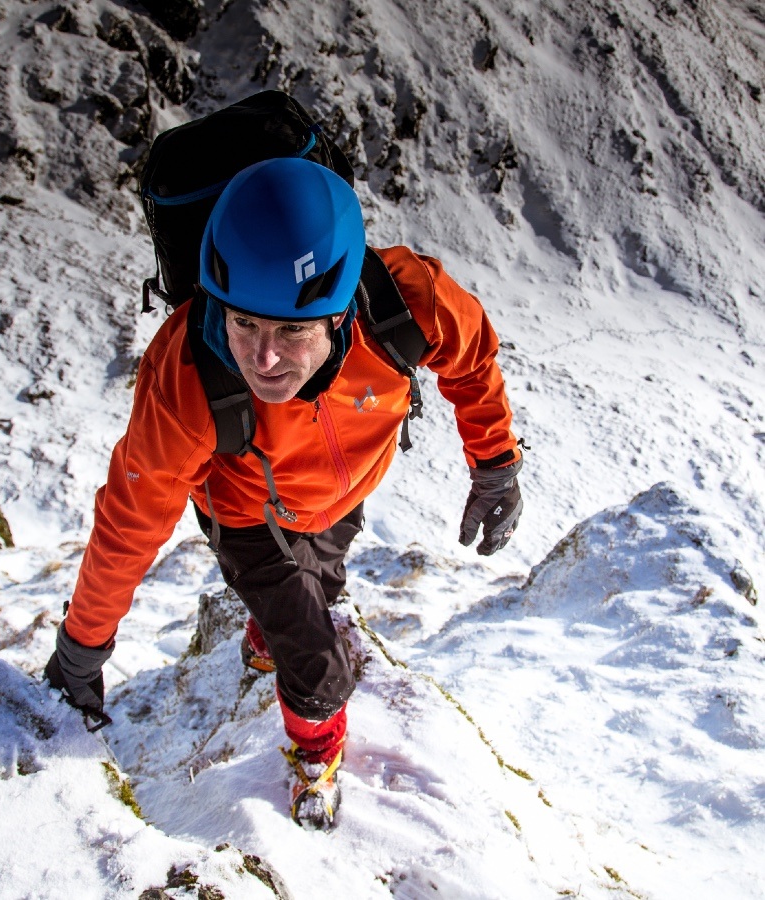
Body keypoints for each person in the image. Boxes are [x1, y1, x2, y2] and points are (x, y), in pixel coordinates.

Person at [45, 157, 524, 829]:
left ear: (339, 315)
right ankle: (314, 756)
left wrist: (495, 460)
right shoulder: (188, 374)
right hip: (243, 513)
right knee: (318, 662)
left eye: (293, 331)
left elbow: (471, 359)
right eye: (243, 323)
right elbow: (132, 517)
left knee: (318, 589)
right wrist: (82, 650)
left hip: (342, 494)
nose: (262, 359)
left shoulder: (404, 300)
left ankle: (269, 633)